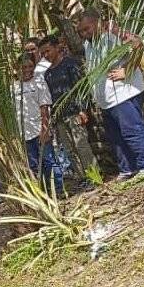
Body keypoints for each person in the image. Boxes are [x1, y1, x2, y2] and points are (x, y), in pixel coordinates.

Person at [76, 7, 144, 180]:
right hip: (107, 101)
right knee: (116, 138)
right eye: (81, 31)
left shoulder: (113, 36)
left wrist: (127, 70)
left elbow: (138, 43)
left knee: (133, 131)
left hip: (124, 94)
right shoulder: (88, 46)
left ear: (98, 23)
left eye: (87, 28)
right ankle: (127, 169)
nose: (84, 33)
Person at [39, 35, 98, 181]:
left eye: (48, 51)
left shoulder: (70, 64)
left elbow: (81, 87)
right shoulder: (48, 73)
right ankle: (82, 178)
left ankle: (94, 176)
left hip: (74, 112)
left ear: (56, 48)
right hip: (59, 116)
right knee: (70, 149)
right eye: (43, 53)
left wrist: (83, 109)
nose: (46, 55)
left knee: (81, 145)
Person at [13, 53, 63, 195]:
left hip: (39, 130)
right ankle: (44, 193)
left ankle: (58, 190)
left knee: (49, 161)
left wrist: (44, 129)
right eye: (24, 67)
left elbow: (44, 107)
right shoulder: (14, 87)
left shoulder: (39, 81)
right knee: (34, 165)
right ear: (17, 68)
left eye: (30, 66)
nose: (27, 70)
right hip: (24, 134)